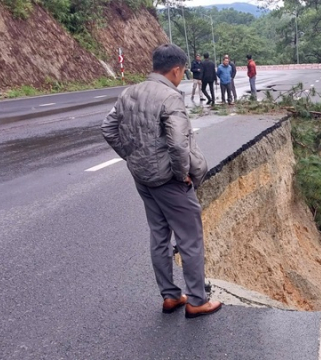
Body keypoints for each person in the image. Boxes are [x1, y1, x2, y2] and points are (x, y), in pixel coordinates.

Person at [101, 44, 222, 318]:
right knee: (190, 238)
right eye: (183, 72)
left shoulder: (128, 92)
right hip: (169, 180)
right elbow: (179, 145)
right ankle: (196, 300)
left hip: (143, 178)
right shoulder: (170, 97)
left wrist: (131, 156)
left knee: (159, 236)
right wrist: (182, 175)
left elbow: (108, 128)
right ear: (177, 69)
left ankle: (169, 296)